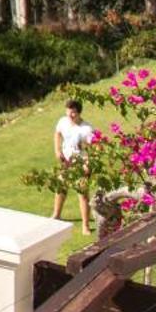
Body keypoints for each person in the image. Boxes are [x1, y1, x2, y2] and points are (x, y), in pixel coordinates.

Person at [51, 98, 97, 232]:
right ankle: (57, 215)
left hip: (81, 163)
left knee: (82, 194)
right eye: (68, 112)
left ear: (79, 113)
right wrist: (58, 150)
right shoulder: (63, 121)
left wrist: (88, 163)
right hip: (66, 162)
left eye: (73, 113)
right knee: (60, 187)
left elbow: (94, 148)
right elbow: (57, 134)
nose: (70, 115)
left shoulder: (86, 129)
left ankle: (85, 226)